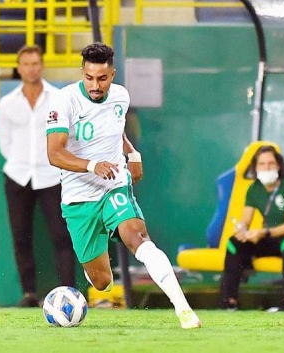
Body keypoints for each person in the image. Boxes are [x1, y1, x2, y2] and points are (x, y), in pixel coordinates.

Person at [46, 42, 201, 329]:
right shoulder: (63, 101)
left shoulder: (120, 96)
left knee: (138, 238)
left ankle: (184, 310)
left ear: (113, 74)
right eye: (89, 78)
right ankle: (98, 256)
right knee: (102, 282)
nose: (95, 85)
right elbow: (54, 153)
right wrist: (92, 165)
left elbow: (116, 130)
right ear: (82, 73)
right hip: (79, 197)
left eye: (102, 78)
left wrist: (132, 153)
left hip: (114, 185)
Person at [0, 45, 76, 307]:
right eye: (26, 64)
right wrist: (20, 161)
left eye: (35, 63)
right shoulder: (7, 103)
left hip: (52, 175)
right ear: (19, 68)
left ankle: (69, 292)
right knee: (21, 237)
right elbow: (4, 142)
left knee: (62, 235)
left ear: (42, 66)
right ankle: (29, 293)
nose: (31, 68)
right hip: (18, 175)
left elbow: (68, 136)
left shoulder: (59, 98)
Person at [219, 145, 284, 311]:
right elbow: (246, 220)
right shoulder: (254, 189)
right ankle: (228, 301)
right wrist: (242, 231)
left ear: (279, 165)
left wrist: (262, 232)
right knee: (234, 243)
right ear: (255, 167)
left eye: (271, 163)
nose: (267, 167)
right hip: (274, 237)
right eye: (262, 164)